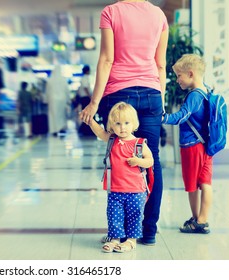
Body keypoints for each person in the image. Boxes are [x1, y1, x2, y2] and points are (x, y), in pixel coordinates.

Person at [79, 0, 168, 246]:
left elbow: (107, 59)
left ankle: (120, 229)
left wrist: (94, 102)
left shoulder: (111, 12)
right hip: (152, 94)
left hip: (119, 92)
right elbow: (160, 64)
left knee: (119, 154)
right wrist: (160, 99)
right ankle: (147, 231)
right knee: (153, 160)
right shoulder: (159, 14)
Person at [89, 102, 153, 252]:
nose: (122, 127)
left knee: (134, 216)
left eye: (126, 123)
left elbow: (150, 161)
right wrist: (90, 120)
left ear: (134, 124)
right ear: (112, 125)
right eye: (117, 124)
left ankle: (131, 241)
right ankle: (115, 239)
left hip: (136, 191)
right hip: (115, 189)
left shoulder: (139, 143)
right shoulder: (112, 140)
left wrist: (138, 161)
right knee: (114, 216)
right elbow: (99, 132)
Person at [162, 54, 212, 234]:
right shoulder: (207, 91)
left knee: (192, 185)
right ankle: (203, 219)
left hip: (192, 146)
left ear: (191, 74)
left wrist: (163, 117)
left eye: (179, 76)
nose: (177, 80)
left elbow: (181, 116)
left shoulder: (194, 96)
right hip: (206, 145)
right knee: (205, 183)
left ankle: (195, 220)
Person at [45, 65, 71, 137]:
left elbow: (47, 91)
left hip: (53, 99)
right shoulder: (63, 79)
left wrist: (46, 100)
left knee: (53, 115)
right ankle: (61, 128)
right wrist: (68, 100)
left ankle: (54, 130)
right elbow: (67, 90)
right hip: (62, 99)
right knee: (61, 115)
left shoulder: (50, 80)